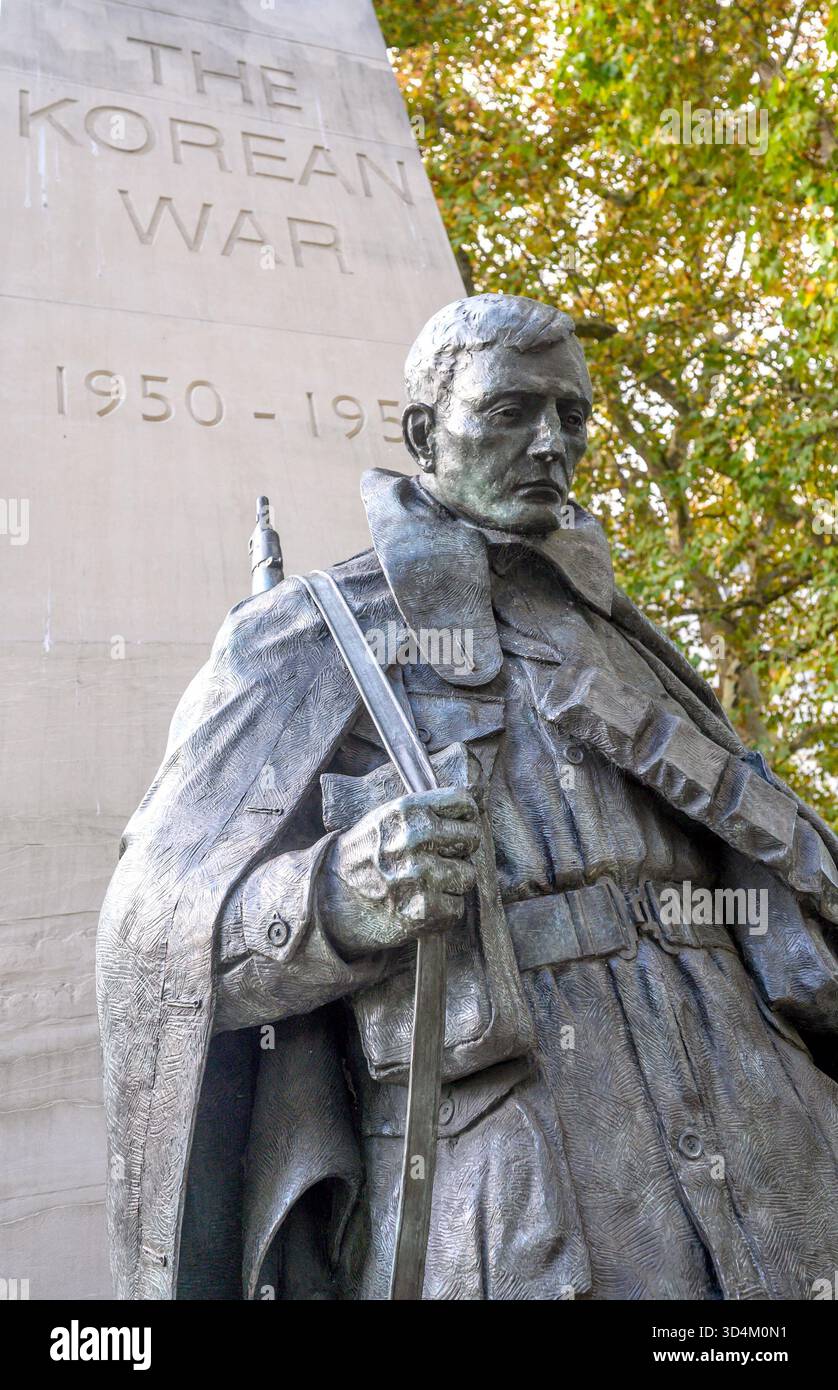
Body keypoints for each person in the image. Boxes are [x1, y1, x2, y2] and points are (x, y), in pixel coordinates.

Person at [98, 294, 838, 1300]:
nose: (549, 444)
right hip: (514, 1180)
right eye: (508, 411)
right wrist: (333, 900)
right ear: (421, 435)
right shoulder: (305, 634)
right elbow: (153, 935)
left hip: (774, 1145)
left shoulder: (624, 635)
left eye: (572, 417)